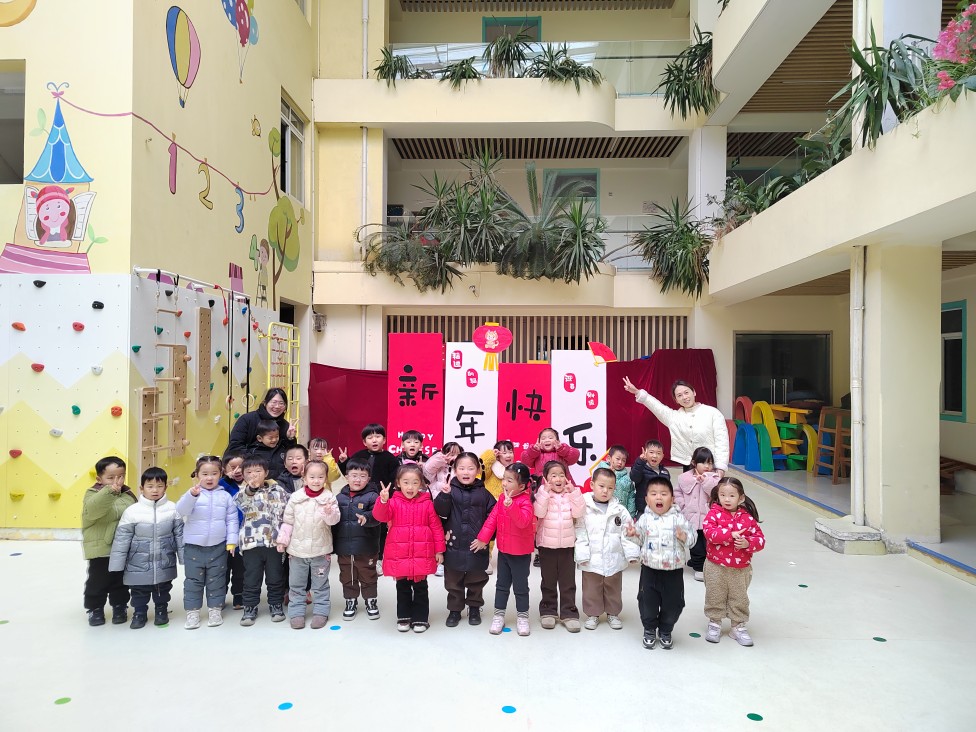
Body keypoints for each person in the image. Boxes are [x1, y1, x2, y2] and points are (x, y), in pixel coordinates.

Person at [372, 464, 445, 633]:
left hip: (421, 553)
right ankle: (403, 616)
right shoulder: (393, 502)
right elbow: (380, 516)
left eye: (415, 482)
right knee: (402, 587)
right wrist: (383, 501)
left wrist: (439, 550)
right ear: (398, 483)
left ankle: (420, 618)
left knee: (421, 588)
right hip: (400, 553)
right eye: (406, 482)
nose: (410, 487)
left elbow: (436, 527)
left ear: (421, 484)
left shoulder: (427, 504)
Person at [109, 467, 184, 629]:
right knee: (139, 590)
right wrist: (116, 564)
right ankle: (140, 612)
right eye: (150, 486)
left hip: (164, 560)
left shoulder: (173, 509)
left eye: (159, 486)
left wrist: (184, 558)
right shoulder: (132, 511)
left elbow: (180, 535)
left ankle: (161, 610)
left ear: (165, 487)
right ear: (141, 488)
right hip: (138, 562)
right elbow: (122, 539)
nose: (155, 490)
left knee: (163, 589)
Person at [628, 476, 695, 650]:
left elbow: (692, 539)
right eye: (654, 494)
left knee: (673, 604)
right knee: (647, 601)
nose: (659, 497)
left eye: (664, 494)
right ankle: (649, 629)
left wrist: (684, 537)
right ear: (646, 499)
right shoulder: (644, 519)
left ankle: (666, 629)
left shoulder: (679, 519)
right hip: (649, 570)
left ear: (672, 499)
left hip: (673, 571)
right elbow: (640, 539)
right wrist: (632, 534)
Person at [276, 461, 341, 630]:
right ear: (304, 478)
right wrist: (282, 540)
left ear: (325, 479)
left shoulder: (329, 497)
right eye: (312, 477)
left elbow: (334, 521)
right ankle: (296, 613)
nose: (316, 480)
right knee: (296, 585)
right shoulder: (296, 497)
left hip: (321, 551)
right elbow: (288, 521)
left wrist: (329, 512)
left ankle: (321, 612)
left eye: (320, 477)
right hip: (297, 552)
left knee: (320, 585)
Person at [433, 452, 496, 628]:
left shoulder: (484, 493)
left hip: (477, 545)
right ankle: (455, 609)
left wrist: (485, 539)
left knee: (477, 579)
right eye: (461, 468)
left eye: (470, 468)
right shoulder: (449, 490)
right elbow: (440, 512)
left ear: (477, 470)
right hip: (453, 544)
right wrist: (444, 496)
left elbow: (494, 518)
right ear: (455, 470)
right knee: (453, 580)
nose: (466, 472)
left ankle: (474, 607)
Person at [176, 455, 238, 630]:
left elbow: (232, 520)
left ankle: (215, 610)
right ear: (197, 475)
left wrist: (232, 541)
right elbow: (181, 510)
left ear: (221, 474)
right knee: (193, 581)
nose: (209, 478)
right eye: (204, 474)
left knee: (217, 580)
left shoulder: (225, 497)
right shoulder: (192, 494)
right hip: (193, 547)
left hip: (218, 547)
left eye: (214, 473)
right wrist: (191, 496)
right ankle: (192, 612)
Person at [473, 462, 535, 637]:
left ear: (521, 486)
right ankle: (498, 615)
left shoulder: (526, 502)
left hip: (521, 554)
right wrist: (483, 538)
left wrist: (511, 506)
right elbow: (492, 519)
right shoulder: (501, 498)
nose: (504, 483)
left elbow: (523, 522)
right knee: (501, 585)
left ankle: (522, 617)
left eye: (509, 480)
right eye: (504, 479)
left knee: (521, 587)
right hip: (504, 551)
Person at [622, 376, 729, 477]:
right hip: (689, 465)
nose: (684, 397)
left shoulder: (712, 413)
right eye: (679, 395)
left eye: (686, 392)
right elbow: (657, 407)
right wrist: (637, 392)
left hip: (710, 464)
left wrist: (720, 466)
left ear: (694, 392)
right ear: (676, 400)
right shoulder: (674, 417)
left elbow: (722, 441)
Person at [702, 477, 765, 647]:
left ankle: (738, 626)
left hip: (740, 568)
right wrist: (730, 535)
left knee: (739, 597)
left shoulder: (748, 519)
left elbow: (760, 540)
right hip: (715, 565)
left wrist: (748, 543)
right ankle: (714, 623)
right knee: (715, 594)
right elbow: (710, 533)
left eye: (731, 495)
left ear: (741, 498)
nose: (727, 499)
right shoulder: (713, 514)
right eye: (723, 495)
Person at [574, 468, 639, 631]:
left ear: (614, 489)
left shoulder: (620, 510)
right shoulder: (584, 507)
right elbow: (580, 531)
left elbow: (628, 533)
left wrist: (632, 553)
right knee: (591, 588)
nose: (605, 491)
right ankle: (593, 614)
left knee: (613, 588)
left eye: (610, 488)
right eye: (601, 486)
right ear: (592, 485)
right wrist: (582, 553)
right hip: (591, 558)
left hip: (614, 558)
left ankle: (613, 613)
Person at [338, 423, 402, 576]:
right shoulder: (358, 455)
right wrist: (344, 462)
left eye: (378, 436)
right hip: (361, 497)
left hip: (381, 499)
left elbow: (395, 480)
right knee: (360, 526)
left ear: (384, 440)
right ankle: (358, 555)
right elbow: (350, 473)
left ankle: (378, 559)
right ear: (364, 442)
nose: (374, 440)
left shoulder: (390, 459)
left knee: (380, 529)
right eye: (370, 437)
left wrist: (389, 497)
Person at [82, 456, 137, 626]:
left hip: (123, 547)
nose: (116, 481)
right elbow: (94, 510)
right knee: (98, 580)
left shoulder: (127, 495)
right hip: (102, 548)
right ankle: (95, 608)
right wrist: (109, 492)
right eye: (110, 477)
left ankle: (120, 606)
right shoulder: (93, 494)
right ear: (99, 479)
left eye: (120, 476)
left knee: (120, 580)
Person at [235, 456, 288, 627]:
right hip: (251, 543)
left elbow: (289, 509)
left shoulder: (278, 490)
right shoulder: (243, 492)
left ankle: (276, 604)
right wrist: (251, 488)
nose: (254, 475)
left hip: (274, 543)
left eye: (258, 471)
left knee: (275, 576)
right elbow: (241, 502)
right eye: (249, 472)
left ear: (266, 473)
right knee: (251, 577)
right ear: (243, 475)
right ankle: (250, 607)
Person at [534, 461, 585, 632]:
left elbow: (579, 513)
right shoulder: (542, 494)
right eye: (553, 475)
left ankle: (569, 612)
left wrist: (574, 493)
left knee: (568, 582)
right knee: (548, 581)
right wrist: (544, 493)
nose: (558, 479)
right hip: (547, 546)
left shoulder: (571, 494)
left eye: (562, 475)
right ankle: (548, 611)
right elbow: (538, 512)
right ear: (546, 478)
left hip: (567, 546)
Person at [333, 459, 381, 621]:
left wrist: (367, 518)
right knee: (347, 575)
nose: (358, 479)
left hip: (366, 547)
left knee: (368, 575)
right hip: (344, 547)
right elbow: (334, 522)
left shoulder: (373, 496)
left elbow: (377, 516)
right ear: (346, 477)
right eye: (354, 475)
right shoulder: (339, 498)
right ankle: (350, 601)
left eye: (362, 476)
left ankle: (371, 601)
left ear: (368, 479)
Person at [675, 446, 720, 583]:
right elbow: (677, 493)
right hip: (691, 517)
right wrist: (683, 506)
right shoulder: (684, 478)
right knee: (694, 543)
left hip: (707, 518)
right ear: (694, 463)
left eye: (710, 463)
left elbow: (715, 493)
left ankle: (703, 564)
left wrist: (705, 480)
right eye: (703, 462)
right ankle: (698, 564)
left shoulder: (714, 478)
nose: (707, 466)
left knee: (707, 543)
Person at [480, 440, 515, 575]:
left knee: (508, 534)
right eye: (504, 452)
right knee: (488, 534)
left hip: (509, 506)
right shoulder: (492, 468)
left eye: (510, 451)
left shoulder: (515, 469)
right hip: (491, 506)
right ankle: (485, 558)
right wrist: (490, 455)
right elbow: (481, 466)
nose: (508, 455)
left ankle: (509, 560)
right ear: (497, 455)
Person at [227, 387, 297, 453]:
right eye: (274, 402)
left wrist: (290, 439)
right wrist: (253, 460)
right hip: (247, 461)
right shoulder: (247, 419)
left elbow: (291, 454)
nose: (277, 406)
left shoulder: (285, 426)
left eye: (281, 403)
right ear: (265, 403)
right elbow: (235, 446)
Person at [219, 450, 247, 610]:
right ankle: (220, 596)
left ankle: (239, 596)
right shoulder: (222, 485)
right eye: (232, 467)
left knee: (240, 569)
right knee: (222, 569)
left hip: (243, 536)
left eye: (241, 466)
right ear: (224, 469)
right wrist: (226, 479)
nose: (237, 470)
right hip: (225, 535)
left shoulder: (250, 484)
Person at [630, 440, 671, 517]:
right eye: (651, 452)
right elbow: (634, 478)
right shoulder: (641, 468)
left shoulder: (665, 472)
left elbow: (668, 491)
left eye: (658, 453)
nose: (655, 456)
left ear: (662, 456)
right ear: (645, 453)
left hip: (661, 511)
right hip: (644, 510)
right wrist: (640, 461)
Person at [596, 445, 635, 518]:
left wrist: (631, 515)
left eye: (623, 460)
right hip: (603, 512)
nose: (620, 462)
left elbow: (631, 497)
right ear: (609, 458)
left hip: (621, 514)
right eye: (617, 459)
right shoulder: (600, 473)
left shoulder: (627, 479)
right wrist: (608, 474)